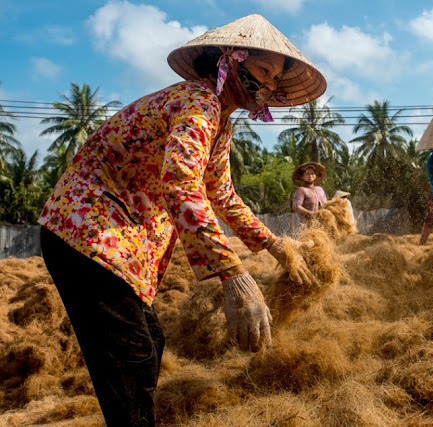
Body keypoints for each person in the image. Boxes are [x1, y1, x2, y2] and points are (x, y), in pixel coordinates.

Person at [37, 14, 326, 426]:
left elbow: (220, 194)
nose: (272, 85)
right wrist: (233, 276)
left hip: (117, 240)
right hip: (88, 233)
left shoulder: (219, 120)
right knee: (133, 358)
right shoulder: (199, 101)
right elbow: (180, 184)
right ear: (233, 60)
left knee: (150, 343)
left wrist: (276, 246)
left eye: (277, 79)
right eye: (265, 71)